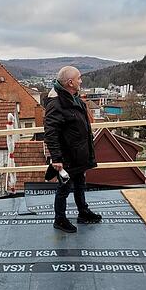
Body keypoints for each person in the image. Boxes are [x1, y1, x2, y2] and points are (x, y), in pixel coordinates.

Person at [44, 66, 102, 233]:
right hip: (68, 156)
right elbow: (51, 133)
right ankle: (59, 220)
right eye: (79, 78)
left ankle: (83, 212)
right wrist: (56, 159)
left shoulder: (74, 98)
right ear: (70, 82)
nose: (81, 81)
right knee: (64, 189)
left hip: (79, 154)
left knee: (80, 184)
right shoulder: (57, 104)